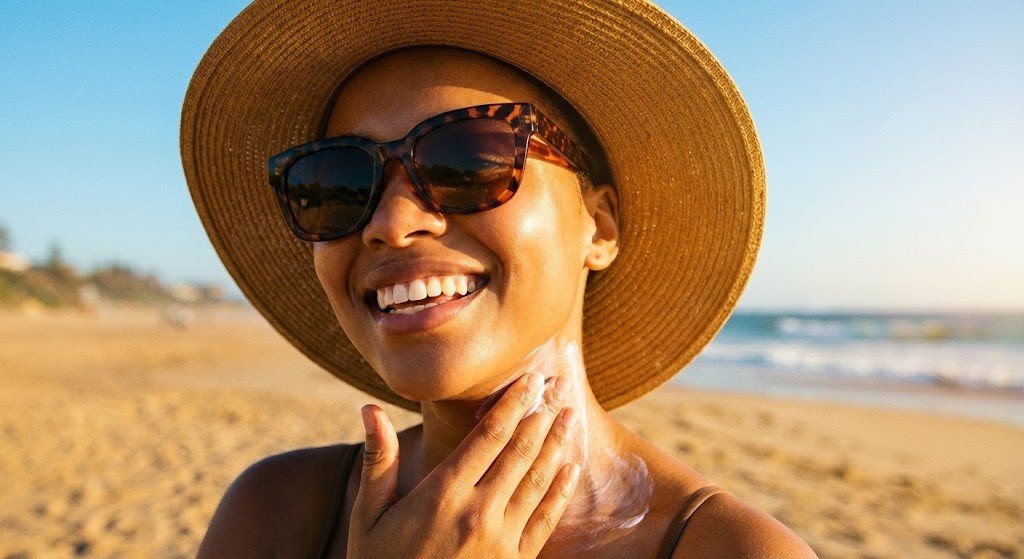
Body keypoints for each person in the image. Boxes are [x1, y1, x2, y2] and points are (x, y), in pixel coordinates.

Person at [182, 1, 817, 557]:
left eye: (467, 160)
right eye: (338, 184)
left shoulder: (732, 551)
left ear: (598, 227)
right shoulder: (276, 513)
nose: (392, 223)